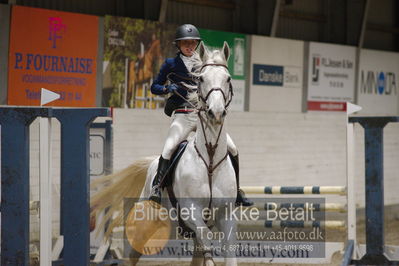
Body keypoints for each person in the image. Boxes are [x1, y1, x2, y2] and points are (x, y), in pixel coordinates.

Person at [149, 24, 253, 207]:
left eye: (193, 43)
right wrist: (167, 88)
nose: (189, 46)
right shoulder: (170, 65)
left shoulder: (204, 62)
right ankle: (157, 187)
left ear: (197, 44)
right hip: (182, 116)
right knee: (168, 148)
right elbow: (154, 87)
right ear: (178, 45)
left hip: (202, 117)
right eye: (185, 43)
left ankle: (236, 191)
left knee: (233, 148)